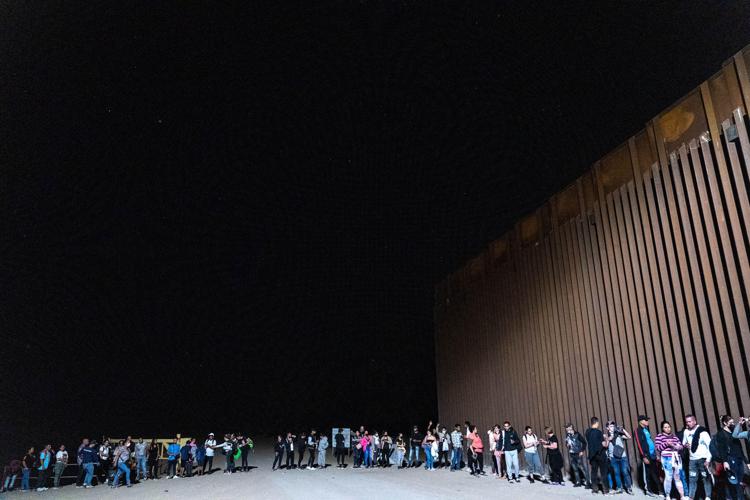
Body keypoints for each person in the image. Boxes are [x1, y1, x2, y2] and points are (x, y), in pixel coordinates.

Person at [713, 415, 747, 500]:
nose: (732, 424)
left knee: (740, 482)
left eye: (733, 422)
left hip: (738, 459)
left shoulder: (733, 431)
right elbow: (721, 449)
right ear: (725, 423)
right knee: (735, 483)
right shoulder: (721, 434)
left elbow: (739, 447)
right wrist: (725, 461)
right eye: (730, 423)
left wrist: (746, 461)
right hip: (730, 460)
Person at [680, 414, 712, 500]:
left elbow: (710, 446)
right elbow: (683, 443)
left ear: (695, 421)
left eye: (690, 421)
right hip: (692, 460)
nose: (688, 423)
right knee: (692, 479)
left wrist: (708, 460)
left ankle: (708, 497)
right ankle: (691, 497)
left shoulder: (702, 432)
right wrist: (685, 445)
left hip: (702, 459)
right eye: (687, 422)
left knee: (705, 478)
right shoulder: (686, 431)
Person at [655, 420, 685, 499]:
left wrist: (678, 447)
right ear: (662, 428)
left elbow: (681, 446)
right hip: (666, 458)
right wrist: (666, 443)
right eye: (665, 427)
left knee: (677, 477)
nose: (668, 429)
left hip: (676, 457)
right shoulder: (659, 436)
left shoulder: (674, 436)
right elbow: (658, 448)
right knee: (668, 477)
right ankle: (667, 495)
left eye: (668, 427)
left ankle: (682, 496)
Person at [634, 415, 661, 497]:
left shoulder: (646, 430)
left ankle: (658, 490)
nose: (647, 421)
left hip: (652, 454)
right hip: (646, 455)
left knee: (655, 472)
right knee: (647, 473)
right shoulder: (637, 430)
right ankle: (648, 490)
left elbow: (649, 441)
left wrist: (655, 454)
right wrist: (644, 456)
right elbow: (639, 444)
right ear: (641, 421)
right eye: (645, 420)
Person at [605, 420, 632, 494]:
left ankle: (629, 488)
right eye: (610, 426)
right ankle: (619, 488)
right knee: (617, 473)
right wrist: (608, 439)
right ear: (607, 428)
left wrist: (623, 430)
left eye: (613, 426)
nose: (612, 427)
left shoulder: (619, 434)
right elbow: (606, 446)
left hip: (622, 456)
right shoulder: (606, 436)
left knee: (625, 472)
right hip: (613, 457)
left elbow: (629, 437)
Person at [585, 417, 610, 494]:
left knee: (594, 472)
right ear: (597, 423)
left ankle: (595, 489)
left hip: (592, 455)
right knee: (603, 472)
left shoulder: (587, 432)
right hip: (600, 454)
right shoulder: (599, 432)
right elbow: (605, 445)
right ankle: (605, 490)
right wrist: (607, 439)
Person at [564, 423, 590, 488]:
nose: (566, 429)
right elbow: (567, 443)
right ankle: (578, 482)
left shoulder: (577, 434)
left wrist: (582, 450)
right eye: (566, 428)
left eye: (567, 427)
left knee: (583, 468)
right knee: (575, 469)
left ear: (571, 427)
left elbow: (584, 442)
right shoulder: (567, 435)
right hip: (571, 454)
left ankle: (588, 482)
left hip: (578, 453)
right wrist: (567, 445)